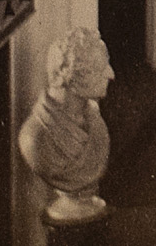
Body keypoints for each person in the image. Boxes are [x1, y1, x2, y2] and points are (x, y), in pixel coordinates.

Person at [16, 27, 115, 222]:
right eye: (99, 68)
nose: (110, 74)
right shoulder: (33, 137)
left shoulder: (95, 119)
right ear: (69, 74)